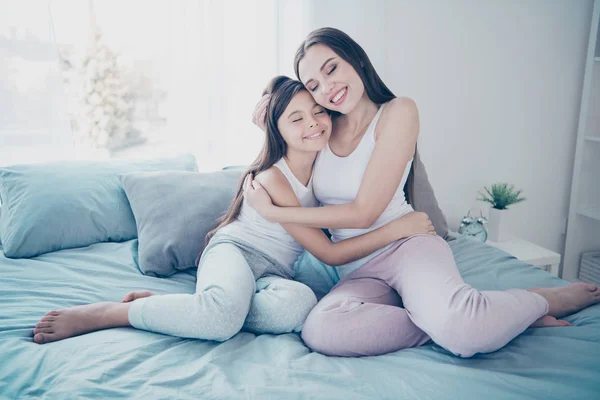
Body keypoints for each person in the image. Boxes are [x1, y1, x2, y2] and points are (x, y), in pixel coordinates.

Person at [245, 27, 600, 357]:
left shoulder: (398, 112)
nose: (327, 87)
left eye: (332, 68)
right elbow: (289, 155)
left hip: (407, 244)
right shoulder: (320, 127)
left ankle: (535, 302)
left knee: (464, 333)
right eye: (314, 85)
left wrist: (275, 213)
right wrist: (269, 121)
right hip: (358, 268)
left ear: (357, 59)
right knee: (322, 330)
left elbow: (365, 212)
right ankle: (480, 316)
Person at [31, 76, 435, 345]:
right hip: (235, 253)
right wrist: (403, 227)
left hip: (275, 274)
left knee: (299, 308)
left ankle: (196, 307)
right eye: (297, 117)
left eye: (319, 112)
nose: (314, 123)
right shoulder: (273, 180)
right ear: (278, 129)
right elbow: (328, 253)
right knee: (221, 323)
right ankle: (114, 313)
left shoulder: (330, 163)